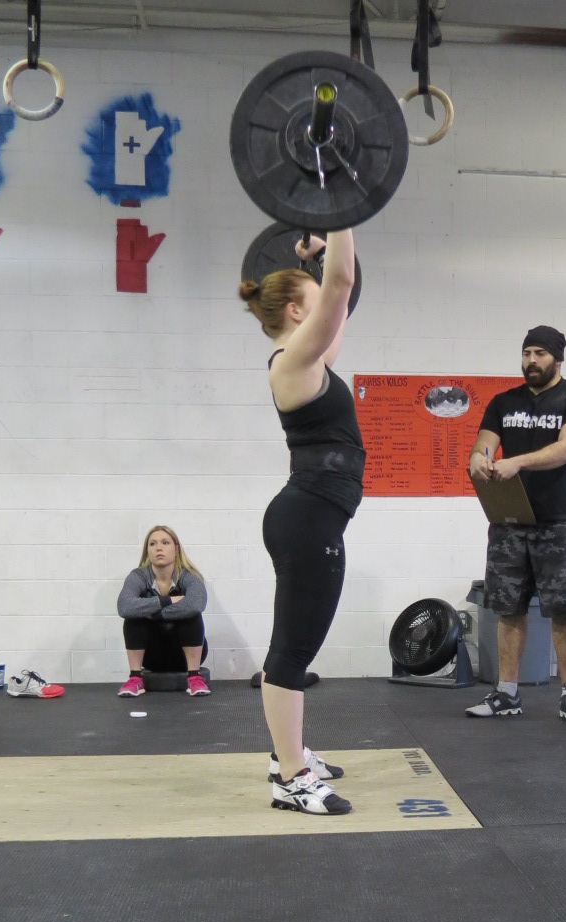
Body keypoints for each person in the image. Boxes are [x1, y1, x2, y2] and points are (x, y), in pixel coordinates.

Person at [238, 230, 359, 816]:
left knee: (296, 649)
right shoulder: (291, 364)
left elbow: (338, 300)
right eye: (312, 299)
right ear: (293, 311)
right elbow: (342, 285)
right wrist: (342, 218)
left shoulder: (308, 362)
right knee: (291, 653)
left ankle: (286, 754)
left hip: (312, 518)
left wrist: (315, 259)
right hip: (306, 521)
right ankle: (291, 777)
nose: (328, 312)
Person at [465, 325, 566, 724]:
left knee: (564, 610)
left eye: (540, 353)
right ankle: (506, 693)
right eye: (527, 353)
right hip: (510, 522)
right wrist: (480, 458)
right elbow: (484, 444)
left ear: (558, 359)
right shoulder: (504, 402)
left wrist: (518, 462)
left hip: (559, 524)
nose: (531, 361)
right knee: (508, 609)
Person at [116, 525, 209, 698]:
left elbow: (196, 604)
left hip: (183, 656)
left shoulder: (189, 576)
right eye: (153, 544)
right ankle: (135, 678)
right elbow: (124, 606)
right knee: (133, 617)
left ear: (176, 549)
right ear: (147, 550)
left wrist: (156, 614)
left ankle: (194, 677)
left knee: (192, 615)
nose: (159, 548)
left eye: (165, 543)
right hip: (152, 656)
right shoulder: (138, 576)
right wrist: (166, 600)